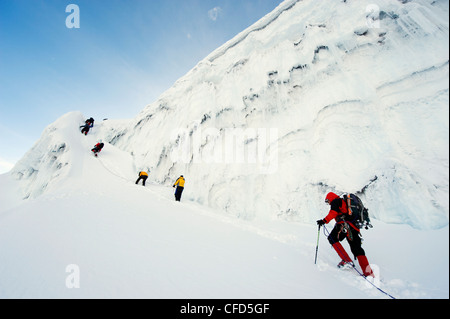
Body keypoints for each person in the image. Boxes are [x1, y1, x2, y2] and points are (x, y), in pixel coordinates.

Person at [317, 192, 374, 278]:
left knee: (332, 238)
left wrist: (324, 221)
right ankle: (368, 273)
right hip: (353, 227)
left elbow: (333, 213)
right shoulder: (342, 202)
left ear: (330, 198)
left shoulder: (335, 201)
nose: (328, 203)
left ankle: (347, 260)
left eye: (327, 201)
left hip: (344, 225)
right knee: (357, 248)